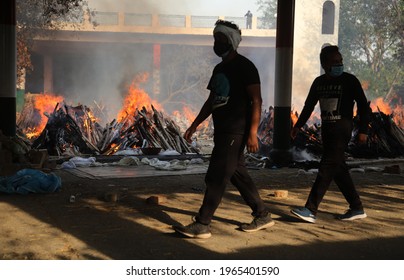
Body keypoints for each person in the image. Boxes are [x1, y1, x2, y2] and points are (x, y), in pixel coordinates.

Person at [173, 20, 274, 239]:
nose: (216, 43)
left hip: (235, 130)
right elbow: (211, 101)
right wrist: (194, 124)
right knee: (238, 174)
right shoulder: (219, 69)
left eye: (220, 39)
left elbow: (256, 100)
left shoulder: (245, 67)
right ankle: (263, 215)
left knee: (216, 176)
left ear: (231, 41)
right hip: (222, 130)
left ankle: (202, 223)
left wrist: (252, 132)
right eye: (214, 38)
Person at [290, 45, 370, 223]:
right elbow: (308, 106)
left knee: (326, 166)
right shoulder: (319, 83)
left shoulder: (350, 81)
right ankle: (356, 207)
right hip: (327, 130)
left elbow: (364, 106)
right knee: (338, 168)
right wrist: (298, 125)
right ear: (324, 64)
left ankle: (311, 209)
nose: (339, 64)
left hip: (342, 129)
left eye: (340, 61)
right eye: (334, 62)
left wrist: (364, 130)